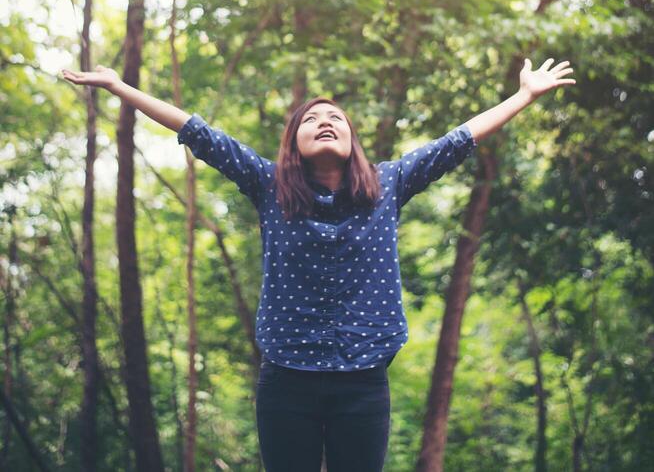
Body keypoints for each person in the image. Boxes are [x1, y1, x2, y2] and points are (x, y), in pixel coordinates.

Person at [61, 56, 575, 471]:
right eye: (311, 119)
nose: (325, 122)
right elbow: (198, 131)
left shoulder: (389, 185)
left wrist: (524, 95)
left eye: (335, 119)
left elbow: (459, 139)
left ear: (352, 143)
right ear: (294, 145)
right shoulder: (268, 187)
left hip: (364, 379)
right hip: (286, 379)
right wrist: (119, 86)